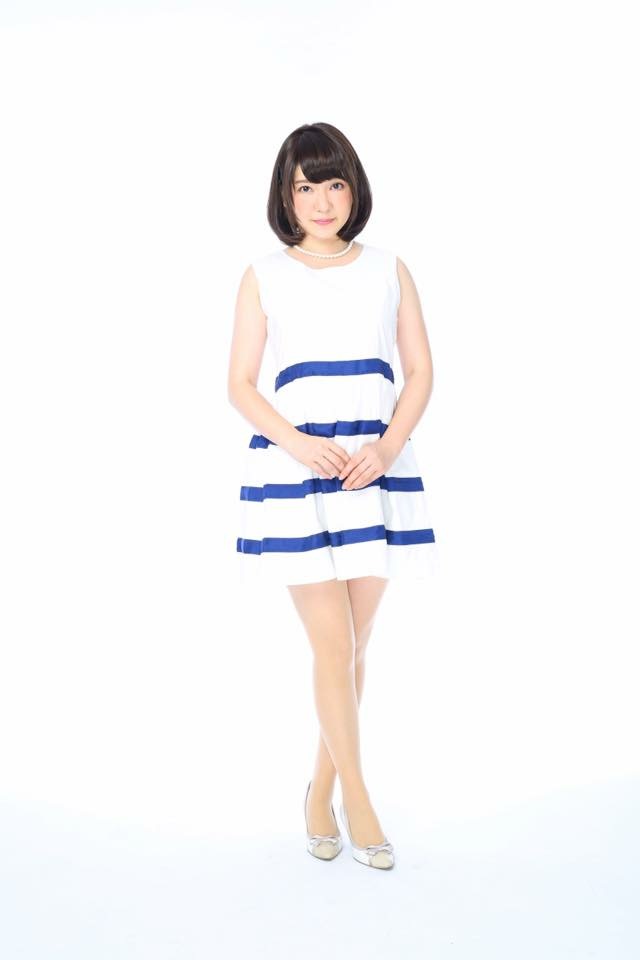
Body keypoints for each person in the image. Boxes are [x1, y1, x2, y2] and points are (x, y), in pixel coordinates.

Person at [227, 122, 437, 870]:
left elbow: (420, 372)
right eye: (305, 186)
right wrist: (296, 442)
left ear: (354, 189)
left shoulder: (389, 269)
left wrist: (386, 447)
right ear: (286, 197)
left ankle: (318, 792)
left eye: (334, 183)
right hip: (301, 472)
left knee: (356, 644)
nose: (321, 201)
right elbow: (239, 385)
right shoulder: (263, 275)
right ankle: (358, 800)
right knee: (334, 645)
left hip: (375, 470)